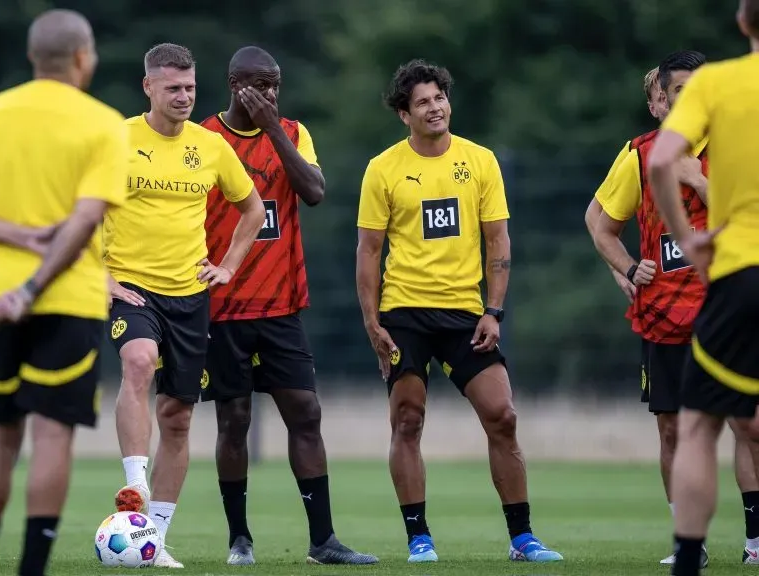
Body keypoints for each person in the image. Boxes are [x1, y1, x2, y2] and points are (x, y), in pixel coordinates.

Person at [0, 10, 127, 576]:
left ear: (32, 58)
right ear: (81, 57)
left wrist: (16, 242)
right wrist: (34, 285)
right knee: (51, 438)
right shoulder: (103, 124)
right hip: (65, 302)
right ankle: (31, 570)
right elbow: (82, 223)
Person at [355, 59, 563, 564]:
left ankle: (523, 539)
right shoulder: (383, 168)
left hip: (466, 314)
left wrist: (494, 311)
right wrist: (372, 323)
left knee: (503, 416)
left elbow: (498, 241)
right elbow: (368, 251)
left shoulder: (481, 161)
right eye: (423, 101)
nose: (435, 107)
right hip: (404, 311)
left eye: (440, 97)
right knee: (407, 421)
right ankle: (419, 539)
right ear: (404, 114)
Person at [198, 46, 378, 567]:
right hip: (223, 307)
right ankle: (240, 539)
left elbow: (315, 191)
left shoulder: (293, 133)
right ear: (234, 84)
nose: (269, 93)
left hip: (281, 306)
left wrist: (273, 128)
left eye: (275, 83)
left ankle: (323, 541)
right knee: (233, 421)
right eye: (259, 84)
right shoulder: (205, 139)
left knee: (306, 412)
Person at [593, 50, 759, 568]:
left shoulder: (737, 147)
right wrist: (626, 269)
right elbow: (599, 223)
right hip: (664, 314)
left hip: (727, 305)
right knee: (673, 428)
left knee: (746, 425)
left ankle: (755, 538)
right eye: (677, 92)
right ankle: (690, 544)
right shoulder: (641, 154)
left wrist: (697, 178)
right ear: (661, 100)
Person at [107, 43, 266, 569]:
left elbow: (253, 208)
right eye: (172, 87)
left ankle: (152, 537)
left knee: (177, 418)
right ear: (148, 87)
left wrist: (229, 266)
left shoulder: (211, 147)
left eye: (191, 87)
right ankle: (133, 488)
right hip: (131, 287)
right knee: (136, 360)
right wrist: (99, 276)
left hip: (189, 294)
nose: (184, 96)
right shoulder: (116, 140)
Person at [647, 2, 759, 574]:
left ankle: (689, 559)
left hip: (740, 271)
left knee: (698, 425)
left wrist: (688, 238)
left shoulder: (719, 83)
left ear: (744, 22)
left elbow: (663, 160)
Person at [585, 67, 669, 303]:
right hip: (663, 297)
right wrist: (622, 269)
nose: (670, 101)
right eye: (660, 97)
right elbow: (594, 213)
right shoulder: (636, 152)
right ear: (652, 108)